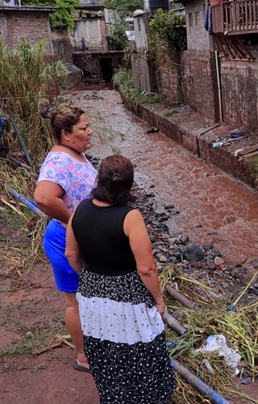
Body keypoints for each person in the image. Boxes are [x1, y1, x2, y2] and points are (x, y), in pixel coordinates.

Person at [65, 155, 175, 403]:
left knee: (104, 347)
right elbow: (146, 269)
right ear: (129, 184)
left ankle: (115, 397)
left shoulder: (80, 209)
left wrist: (91, 276)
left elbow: (71, 254)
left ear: (99, 179)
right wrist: (159, 300)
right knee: (140, 348)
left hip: (92, 291)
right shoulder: (130, 216)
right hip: (128, 295)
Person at [33, 102, 97, 373]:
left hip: (82, 238)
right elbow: (44, 197)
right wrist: (74, 222)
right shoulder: (59, 161)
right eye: (84, 128)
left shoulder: (75, 154)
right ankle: (84, 357)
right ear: (66, 134)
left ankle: (98, 345)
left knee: (90, 296)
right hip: (65, 240)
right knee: (75, 301)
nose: (90, 132)